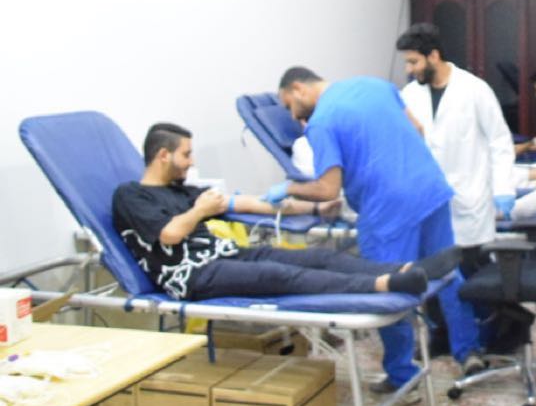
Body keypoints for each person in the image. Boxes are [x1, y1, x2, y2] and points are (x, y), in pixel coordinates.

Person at [273, 67, 483, 392]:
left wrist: (288, 189)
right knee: (447, 273)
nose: (292, 115)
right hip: (429, 188)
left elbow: (328, 189)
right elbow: (417, 128)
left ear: (298, 88)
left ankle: (402, 376)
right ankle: (469, 352)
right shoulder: (374, 85)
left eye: (289, 105)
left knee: (390, 288)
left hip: (387, 208)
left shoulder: (322, 122)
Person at [111, 123, 462, 302]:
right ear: (163, 155)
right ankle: (382, 284)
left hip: (226, 256)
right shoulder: (130, 195)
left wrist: (313, 205)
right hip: (192, 277)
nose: (192, 162)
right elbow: (171, 234)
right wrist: (200, 210)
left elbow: (248, 203)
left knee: (314, 257)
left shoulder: (183, 191)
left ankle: (404, 269)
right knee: (280, 275)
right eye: (186, 154)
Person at [396, 23, 517, 270]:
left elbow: (500, 141)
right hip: (429, 199)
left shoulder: (475, 89)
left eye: (413, 62)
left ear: (433, 56)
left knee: (471, 271)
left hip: (469, 199)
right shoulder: (409, 94)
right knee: (436, 273)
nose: (409, 69)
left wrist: (503, 187)